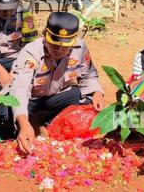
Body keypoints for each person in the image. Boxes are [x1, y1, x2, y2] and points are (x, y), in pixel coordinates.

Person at [7, 12, 104, 153]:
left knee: (86, 98)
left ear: (74, 40)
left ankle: (49, 125)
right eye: (53, 44)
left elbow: (88, 75)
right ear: (45, 34)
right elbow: (20, 90)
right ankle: (29, 125)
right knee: (6, 114)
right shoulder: (31, 53)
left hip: (54, 98)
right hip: (30, 100)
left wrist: (97, 92)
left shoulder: (80, 49)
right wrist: (23, 122)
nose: (58, 49)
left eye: (65, 46)